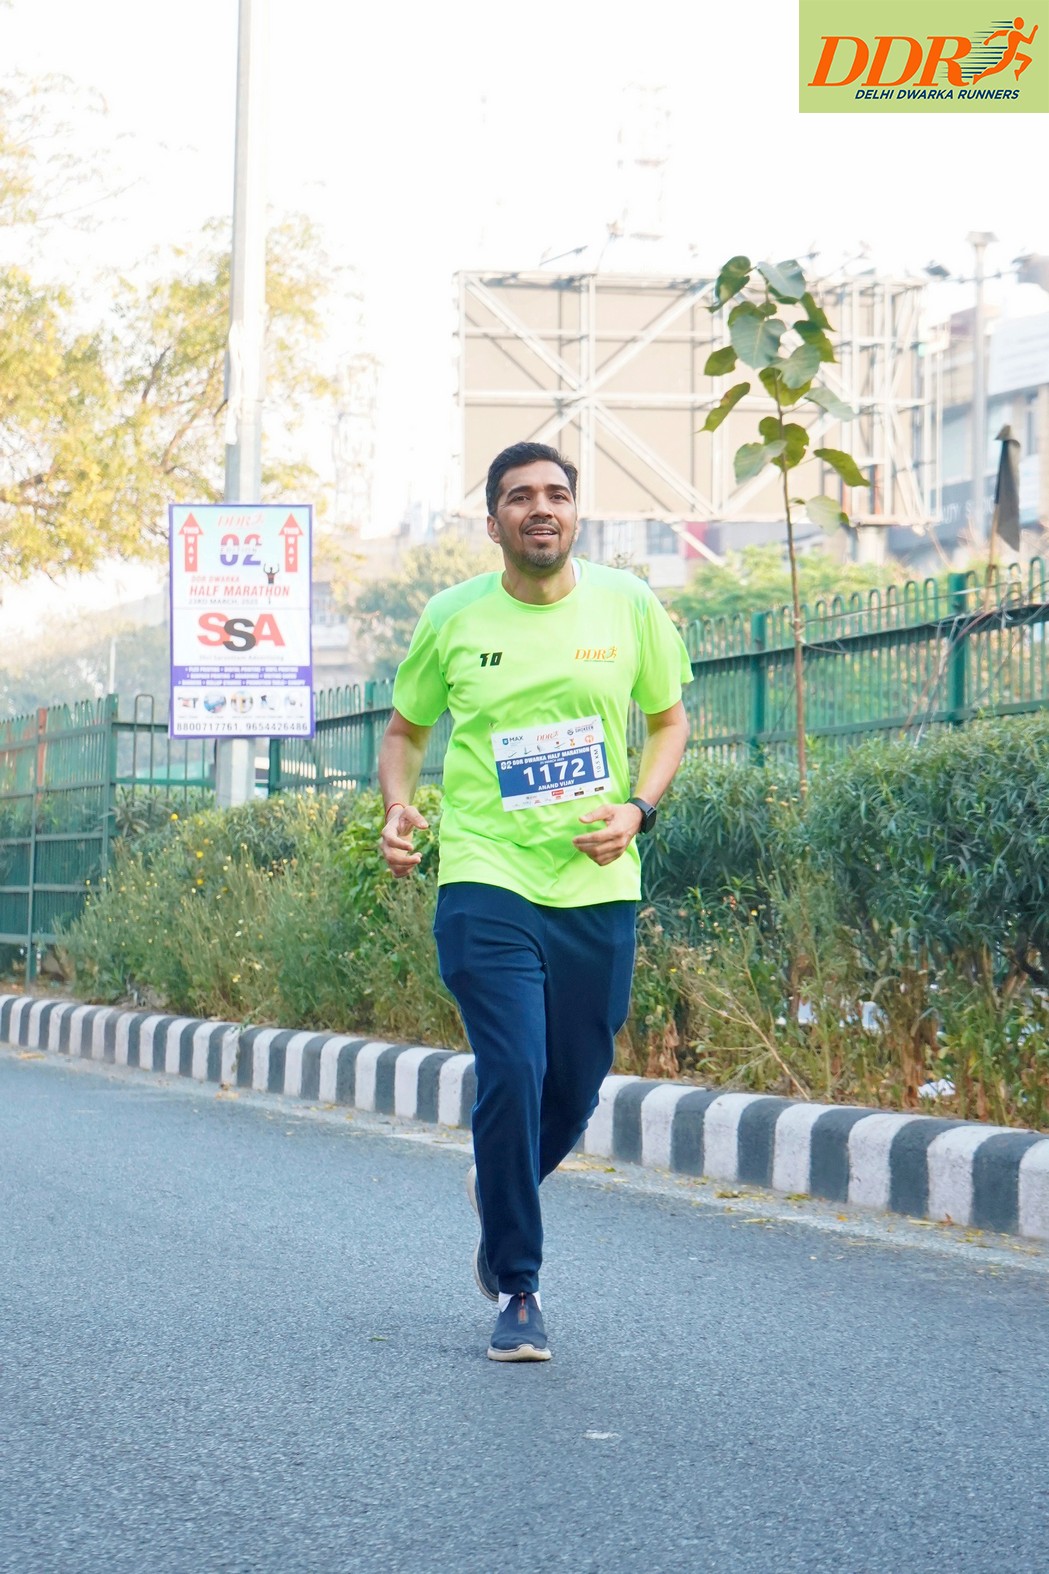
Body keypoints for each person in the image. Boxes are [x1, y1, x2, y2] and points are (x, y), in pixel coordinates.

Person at [378, 441, 691, 1362]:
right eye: (520, 497)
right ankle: (518, 1286)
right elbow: (405, 733)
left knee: (575, 1081)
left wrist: (637, 809)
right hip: (485, 873)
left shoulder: (628, 604)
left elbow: (668, 721)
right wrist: (399, 806)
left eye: (556, 493)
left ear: (575, 515)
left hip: (596, 879)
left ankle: (499, 1183)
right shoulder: (452, 615)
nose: (540, 507)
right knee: (512, 1067)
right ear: (494, 523)